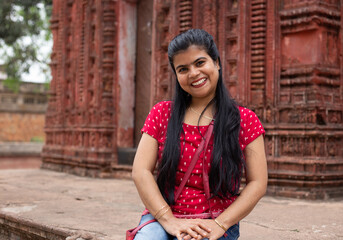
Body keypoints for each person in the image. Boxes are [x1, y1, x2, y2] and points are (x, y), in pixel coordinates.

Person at [132, 29, 268, 240]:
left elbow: (258, 182)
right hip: (163, 217)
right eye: (183, 69)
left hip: (215, 221)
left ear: (217, 63)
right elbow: (140, 171)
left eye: (200, 63)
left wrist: (220, 224)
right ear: (176, 75)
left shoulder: (245, 120)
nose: (193, 73)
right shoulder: (161, 113)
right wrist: (169, 220)